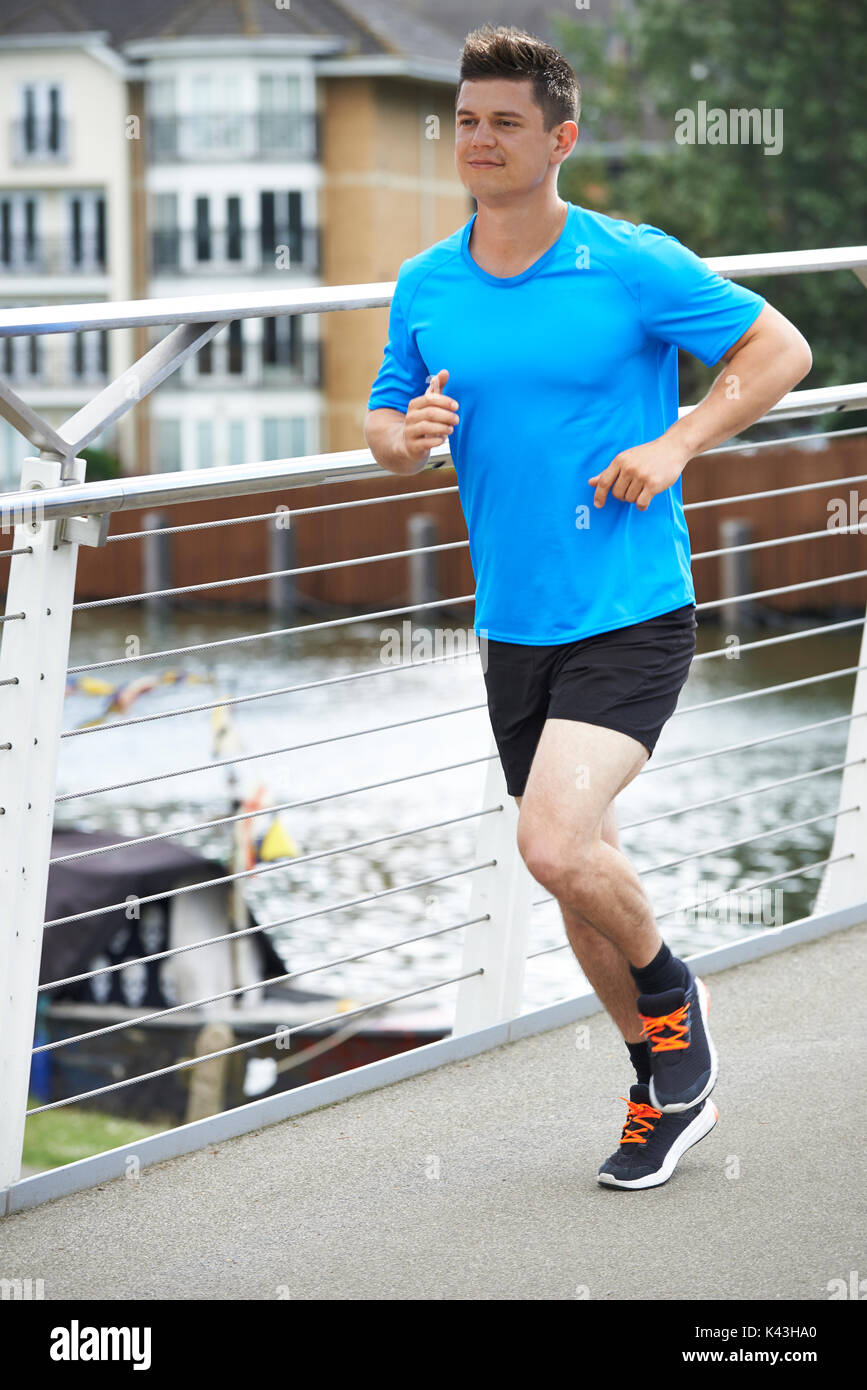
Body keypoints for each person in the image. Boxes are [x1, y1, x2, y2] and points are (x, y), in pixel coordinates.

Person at [363, 24, 812, 1189]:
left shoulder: (629, 260)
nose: (480, 140)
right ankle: (661, 1087)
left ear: (560, 138)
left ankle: (675, 1002)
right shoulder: (427, 282)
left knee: (553, 840)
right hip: (514, 622)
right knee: (576, 867)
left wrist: (677, 439)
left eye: (506, 122)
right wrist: (399, 440)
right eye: (466, 120)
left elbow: (780, 351)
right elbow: (381, 422)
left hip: (630, 605)